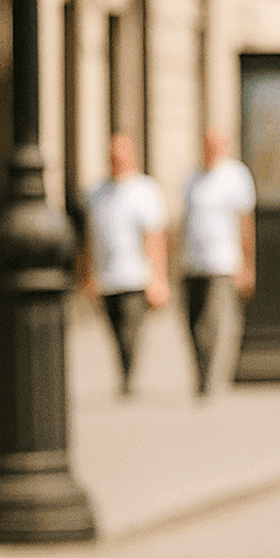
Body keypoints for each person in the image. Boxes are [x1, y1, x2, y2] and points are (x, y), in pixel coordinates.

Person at [81, 134, 169, 397]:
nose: (116, 160)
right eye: (112, 155)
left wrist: (158, 278)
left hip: (136, 275)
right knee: (114, 331)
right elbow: (90, 239)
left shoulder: (144, 190)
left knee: (131, 330)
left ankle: (128, 377)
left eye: (121, 155)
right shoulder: (96, 193)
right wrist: (88, 276)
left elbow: (154, 238)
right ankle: (124, 372)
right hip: (106, 276)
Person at [179, 128, 256, 398]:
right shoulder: (192, 178)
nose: (209, 150)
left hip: (223, 262)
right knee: (192, 322)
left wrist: (247, 264)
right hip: (192, 262)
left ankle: (212, 377)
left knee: (214, 321)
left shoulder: (235, 176)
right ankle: (200, 373)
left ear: (224, 146)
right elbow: (183, 223)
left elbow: (245, 224)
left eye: (214, 145)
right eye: (205, 145)